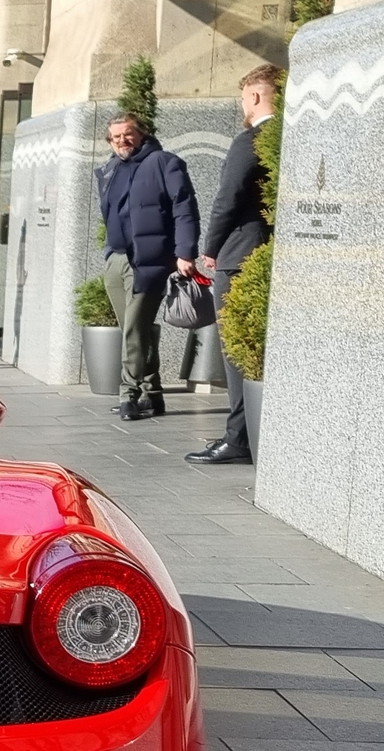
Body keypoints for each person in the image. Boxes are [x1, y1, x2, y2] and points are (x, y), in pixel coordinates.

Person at [187, 64, 280, 464]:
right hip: (270, 252)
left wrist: (211, 247)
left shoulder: (251, 140)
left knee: (238, 353)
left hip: (240, 255)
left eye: (244, 98)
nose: (242, 106)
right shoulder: (290, 137)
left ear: (256, 97)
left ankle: (239, 438)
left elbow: (228, 197)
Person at [97, 114, 200, 420]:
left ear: (141, 134)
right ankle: (152, 395)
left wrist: (185, 252)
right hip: (115, 259)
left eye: (127, 134)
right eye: (115, 137)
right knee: (137, 331)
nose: (122, 141)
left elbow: (185, 208)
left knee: (133, 330)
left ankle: (128, 394)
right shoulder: (111, 169)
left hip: (148, 261)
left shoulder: (164, 163)